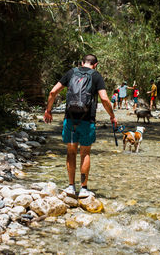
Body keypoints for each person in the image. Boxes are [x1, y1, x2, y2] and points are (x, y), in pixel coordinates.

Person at [44, 54, 118, 198]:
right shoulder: (96, 76)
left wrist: (48, 110)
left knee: (71, 152)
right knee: (85, 153)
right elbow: (104, 98)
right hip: (87, 120)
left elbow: (53, 92)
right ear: (95, 64)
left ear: (82, 62)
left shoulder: (71, 72)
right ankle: (83, 188)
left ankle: (71, 187)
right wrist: (112, 116)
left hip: (70, 119)